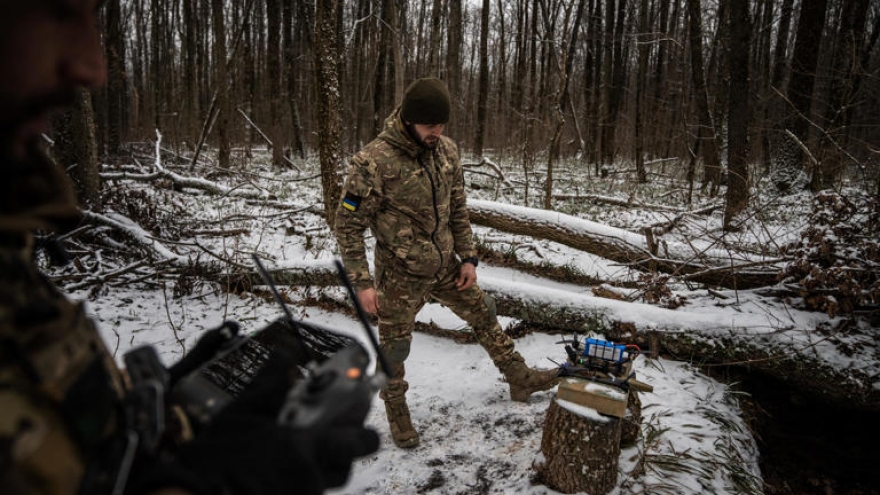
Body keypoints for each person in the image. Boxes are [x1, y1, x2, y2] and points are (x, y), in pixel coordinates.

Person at [0, 2, 378, 494]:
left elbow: (75, 455)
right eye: (58, 12)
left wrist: (171, 414)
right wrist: (218, 485)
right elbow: (347, 220)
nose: (92, 67)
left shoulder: (12, 258)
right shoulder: (371, 163)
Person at [334, 77, 558, 449]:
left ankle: (519, 377)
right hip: (399, 275)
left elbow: (458, 208)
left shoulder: (447, 151)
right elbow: (348, 224)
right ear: (408, 121)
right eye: (429, 126)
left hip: (445, 265)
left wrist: (468, 257)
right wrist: (362, 282)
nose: (437, 132)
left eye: (442, 125)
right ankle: (398, 413)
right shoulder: (372, 163)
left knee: (484, 312)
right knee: (394, 348)